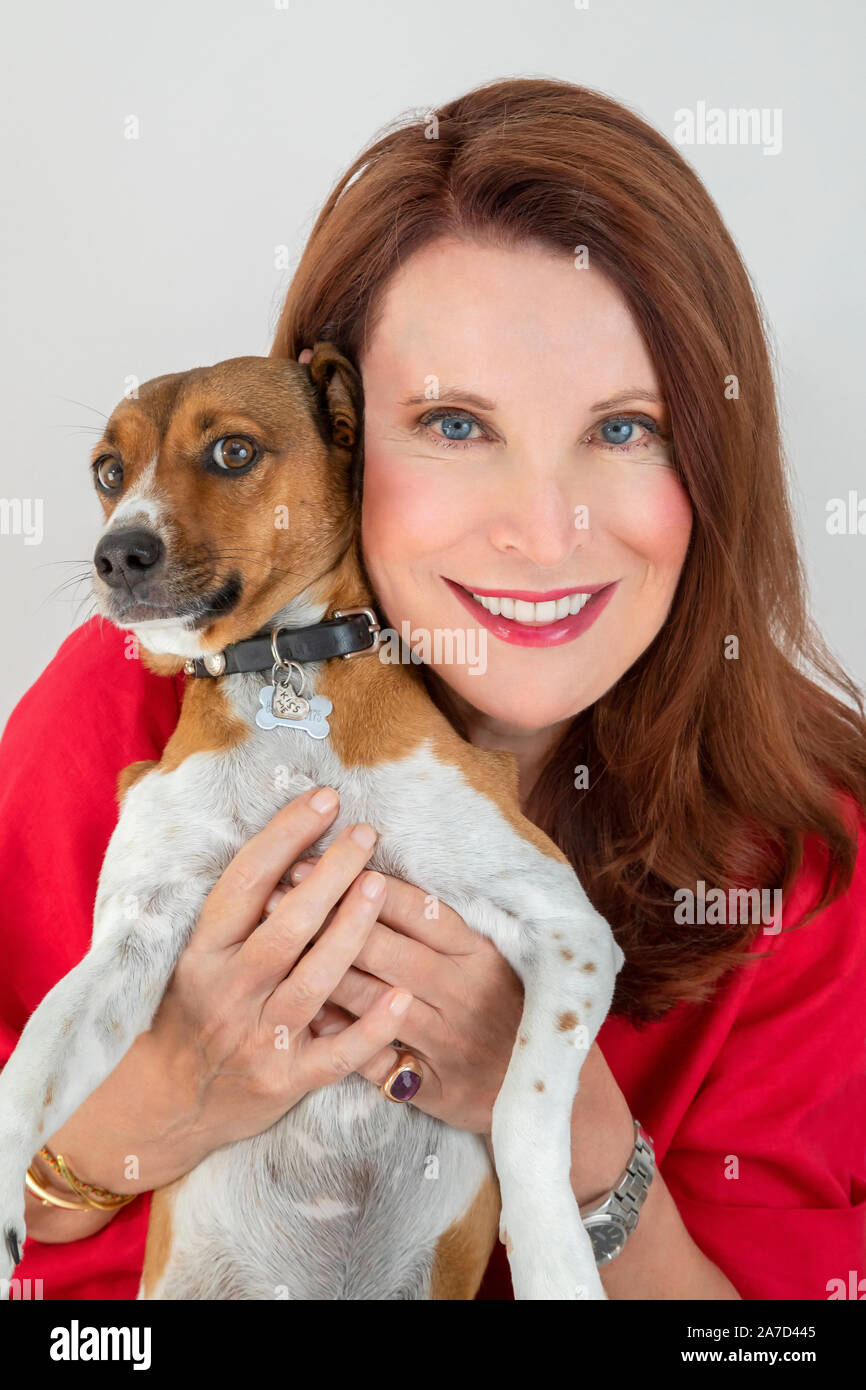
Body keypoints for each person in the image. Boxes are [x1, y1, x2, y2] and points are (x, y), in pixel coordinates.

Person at [2, 77, 865, 1301]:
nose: (544, 530)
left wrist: (572, 1145)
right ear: (336, 435)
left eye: (625, 429)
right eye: (456, 424)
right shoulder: (128, 708)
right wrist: (167, 1096)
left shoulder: (798, 842)